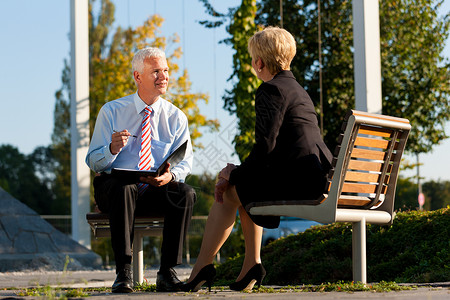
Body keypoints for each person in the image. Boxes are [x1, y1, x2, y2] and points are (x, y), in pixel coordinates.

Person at [181, 27, 332, 292]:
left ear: (258, 62)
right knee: (246, 186)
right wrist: (240, 173)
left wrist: (232, 174)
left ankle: (201, 269)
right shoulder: (298, 90)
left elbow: (265, 147)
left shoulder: (270, 90)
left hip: (302, 182)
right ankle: (251, 264)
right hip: (317, 176)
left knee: (229, 192)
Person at [85, 47, 196, 293]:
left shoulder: (176, 117)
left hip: (155, 190)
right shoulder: (111, 111)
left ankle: (167, 272)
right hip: (115, 190)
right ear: (138, 77)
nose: (164, 76)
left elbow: (185, 161)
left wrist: (171, 176)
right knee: (124, 188)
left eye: (165, 70)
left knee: (185, 193)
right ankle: (123, 273)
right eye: (156, 71)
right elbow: (93, 162)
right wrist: (111, 150)